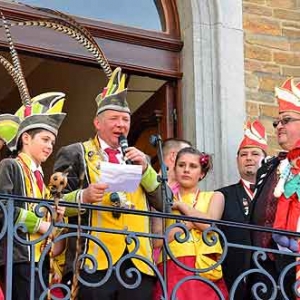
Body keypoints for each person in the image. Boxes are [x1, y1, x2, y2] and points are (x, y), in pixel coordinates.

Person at [54, 67, 170, 300]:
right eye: (114, 119)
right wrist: (83, 197)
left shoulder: (141, 159)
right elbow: (51, 203)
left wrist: (146, 170)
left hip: (138, 263)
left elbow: (166, 203)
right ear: (97, 123)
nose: (121, 124)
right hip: (92, 260)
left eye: (125, 119)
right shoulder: (75, 152)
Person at [0, 92, 68, 300]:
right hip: (17, 256)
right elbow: (3, 206)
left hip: (40, 260)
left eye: (52, 143)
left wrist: (57, 217)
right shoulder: (10, 165)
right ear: (26, 138)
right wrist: (40, 225)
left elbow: (49, 225)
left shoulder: (41, 178)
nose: (49, 146)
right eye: (45, 139)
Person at [153, 147, 228, 300]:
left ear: (202, 173)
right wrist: (191, 224)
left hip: (206, 267)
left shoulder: (215, 196)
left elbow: (210, 226)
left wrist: (182, 207)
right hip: (171, 266)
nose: (186, 170)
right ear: (174, 169)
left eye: (193, 166)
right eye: (181, 165)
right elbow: (156, 240)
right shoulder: (162, 201)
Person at [251, 77, 300, 299]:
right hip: (269, 268)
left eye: (286, 120)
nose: (279, 126)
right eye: (277, 122)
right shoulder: (275, 166)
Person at [216, 120, 267, 299]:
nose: (249, 158)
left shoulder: (275, 195)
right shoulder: (222, 195)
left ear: (265, 159)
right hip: (232, 278)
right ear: (237, 160)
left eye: (255, 153)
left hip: (270, 277)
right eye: (243, 154)